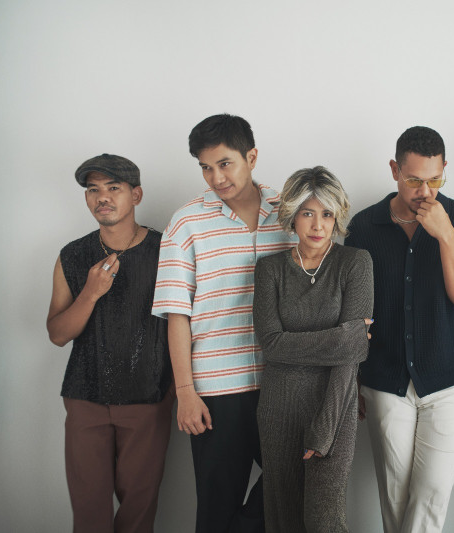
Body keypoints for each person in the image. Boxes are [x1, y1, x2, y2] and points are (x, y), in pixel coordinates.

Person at [151, 114, 295, 532]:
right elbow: (177, 314)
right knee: (216, 507)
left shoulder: (291, 212)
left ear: (252, 156)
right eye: (205, 167)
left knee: (293, 486)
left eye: (225, 163)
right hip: (216, 391)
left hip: (281, 384)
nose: (216, 177)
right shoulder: (186, 223)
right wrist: (185, 392)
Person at [345, 126, 454, 533]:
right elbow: (353, 311)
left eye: (435, 180)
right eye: (414, 180)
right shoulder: (364, 227)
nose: (425, 191)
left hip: (447, 381)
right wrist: (351, 378)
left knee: (432, 495)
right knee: (395, 499)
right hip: (384, 380)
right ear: (394, 170)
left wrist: (445, 235)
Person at [47, 154, 173, 533]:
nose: (102, 197)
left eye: (113, 187)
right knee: (89, 513)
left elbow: (186, 324)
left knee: (138, 513)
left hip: (148, 397)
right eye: (93, 189)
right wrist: (90, 292)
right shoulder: (72, 255)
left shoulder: (167, 250)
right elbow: (57, 333)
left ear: (136, 195)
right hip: (85, 397)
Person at [253, 166, 373, 533]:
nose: (318, 225)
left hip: (333, 407)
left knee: (325, 522)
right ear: (292, 215)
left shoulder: (355, 262)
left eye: (327, 214)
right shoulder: (270, 269)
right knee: (283, 519)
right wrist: (344, 337)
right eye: (308, 213)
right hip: (278, 409)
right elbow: (271, 344)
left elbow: (350, 361)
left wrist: (324, 430)